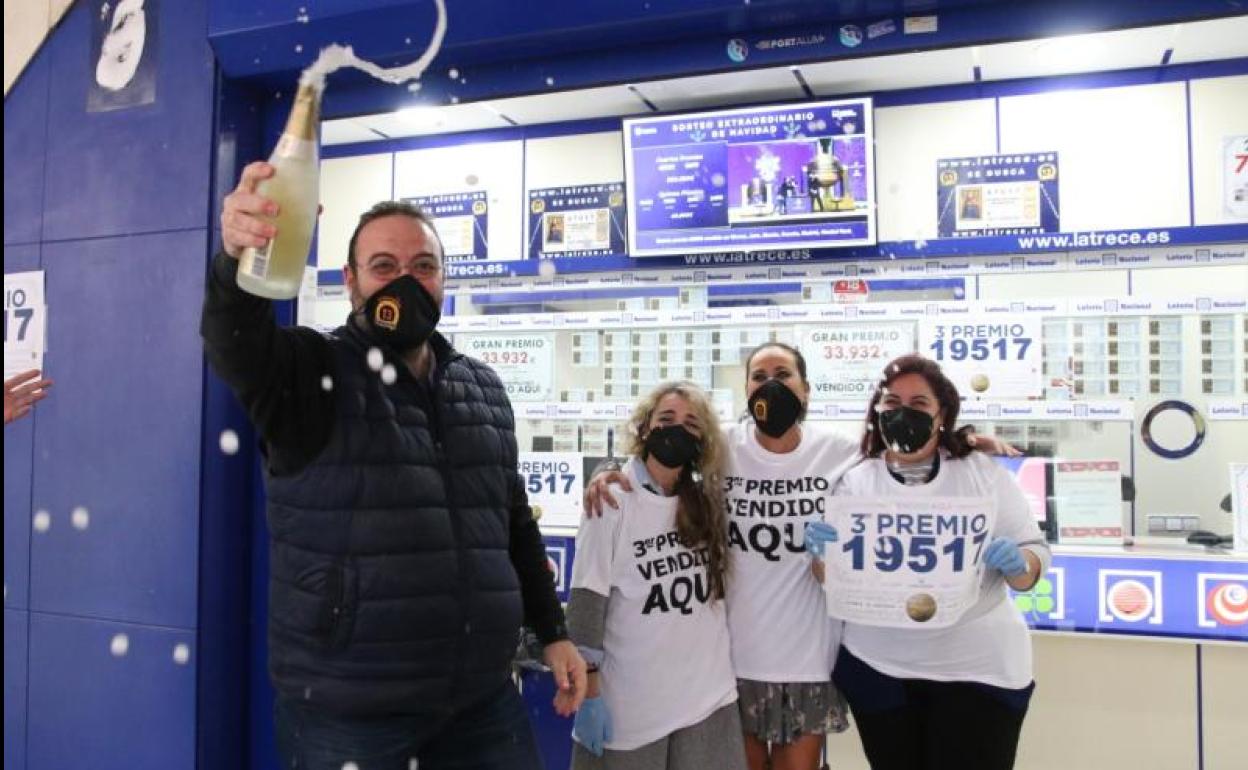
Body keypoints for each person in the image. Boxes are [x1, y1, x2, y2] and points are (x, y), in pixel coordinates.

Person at [202, 161, 587, 770]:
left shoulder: (481, 387)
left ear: (444, 280)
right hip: (350, 713)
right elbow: (233, 337)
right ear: (352, 282)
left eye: (424, 267)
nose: (405, 283)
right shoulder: (309, 371)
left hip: (481, 703)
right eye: (384, 267)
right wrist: (236, 260)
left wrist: (553, 630)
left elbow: (512, 522)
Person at [585, 345, 1019, 770]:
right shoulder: (723, 450)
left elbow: (902, 454)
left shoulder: (841, 452)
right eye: (760, 377)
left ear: (806, 389)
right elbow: (663, 458)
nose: (771, 385)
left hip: (811, 656)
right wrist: (606, 470)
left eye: (783, 375)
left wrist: (960, 440)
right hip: (732, 661)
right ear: (747, 390)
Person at [806, 354, 1049, 770]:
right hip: (879, 670)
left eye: (918, 404)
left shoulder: (980, 474)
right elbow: (832, 578)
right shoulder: (852, 479)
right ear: (876, 412)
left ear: (942, 415)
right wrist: (821, 558)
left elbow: (1034, 556)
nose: (903, 414)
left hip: (976, 673)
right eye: (891, 403)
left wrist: (1018, 564)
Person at [567, 381, 744, 770]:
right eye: (667, 419)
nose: (677, 429)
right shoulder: (611, 499)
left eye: (691, 424)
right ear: (645, 427)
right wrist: (590, 693)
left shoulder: (707, 501)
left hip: (707, 700)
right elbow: (585, 606)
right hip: (632, 706)